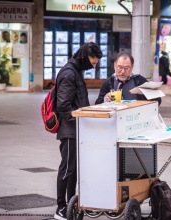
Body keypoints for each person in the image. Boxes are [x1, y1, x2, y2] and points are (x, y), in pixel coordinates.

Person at [54, 42, 103, 220]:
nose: (93, 65)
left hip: (77, 130)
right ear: (84, 57)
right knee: (67, 169)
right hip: (70, 131)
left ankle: (71, 205)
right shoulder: (69, 74)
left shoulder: (76, 72)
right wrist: (80, 121)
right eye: (93, 61)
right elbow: (64, 106)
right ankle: (61, 208)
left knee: (73, 170)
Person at [95, 51, 161, 105]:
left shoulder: (139, 81)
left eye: (126, 68)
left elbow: (157, 102)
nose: (123, 71)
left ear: (132, 67)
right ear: (115, 65)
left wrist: (155, 94)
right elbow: (97, 104)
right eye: (120, 67)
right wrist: (105, 99)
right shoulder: (108, 83)